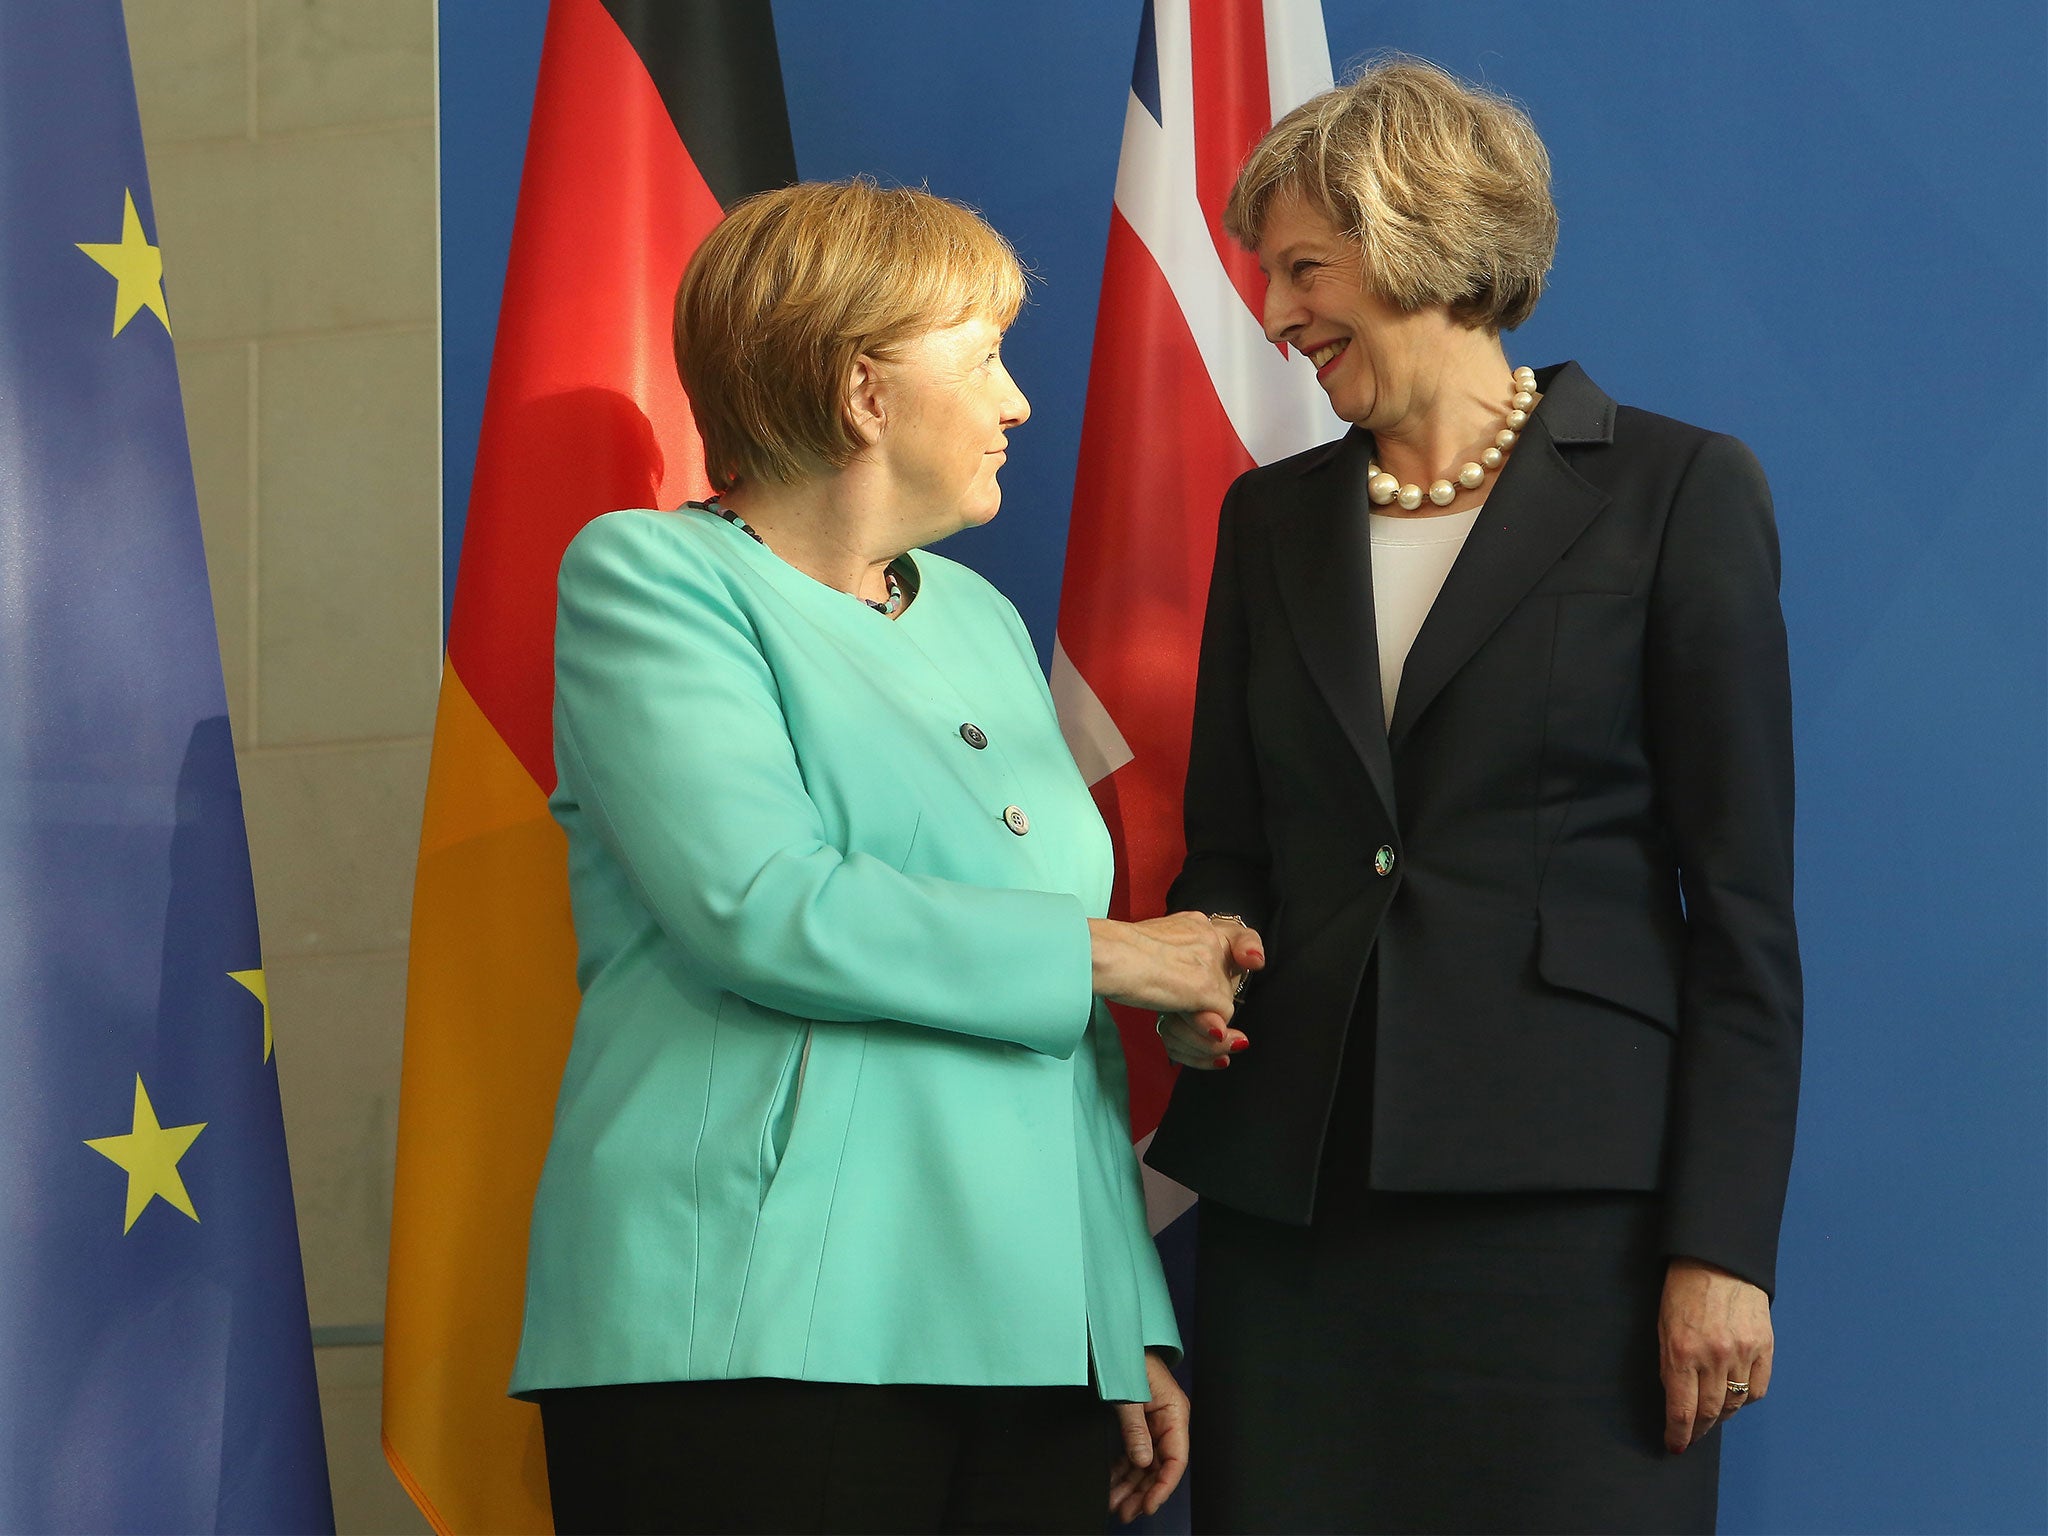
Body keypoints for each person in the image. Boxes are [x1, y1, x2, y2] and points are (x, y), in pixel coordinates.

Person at [509, 179, 1260, 1535]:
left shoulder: (972, 616)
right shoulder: (649, 578)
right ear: (865, 391)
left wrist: (1117, 1315)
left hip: (1025, 1332)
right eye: (984, 359)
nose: (1019, 402)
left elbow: (1057, 1035)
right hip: (749, 1328)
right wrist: (1116, 954)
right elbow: (760, 902)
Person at [1146, 59, 1801, 1534]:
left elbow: (1744, 915)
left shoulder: (1680, 493)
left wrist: (1724, 1247)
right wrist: (1208, 962)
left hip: (1575, 1233)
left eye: (1306, 268)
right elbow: (1234, 846)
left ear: (1422, 239)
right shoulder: (1271, 522)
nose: (1276, 317)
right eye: (1270, 275)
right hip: (1295, 1223)